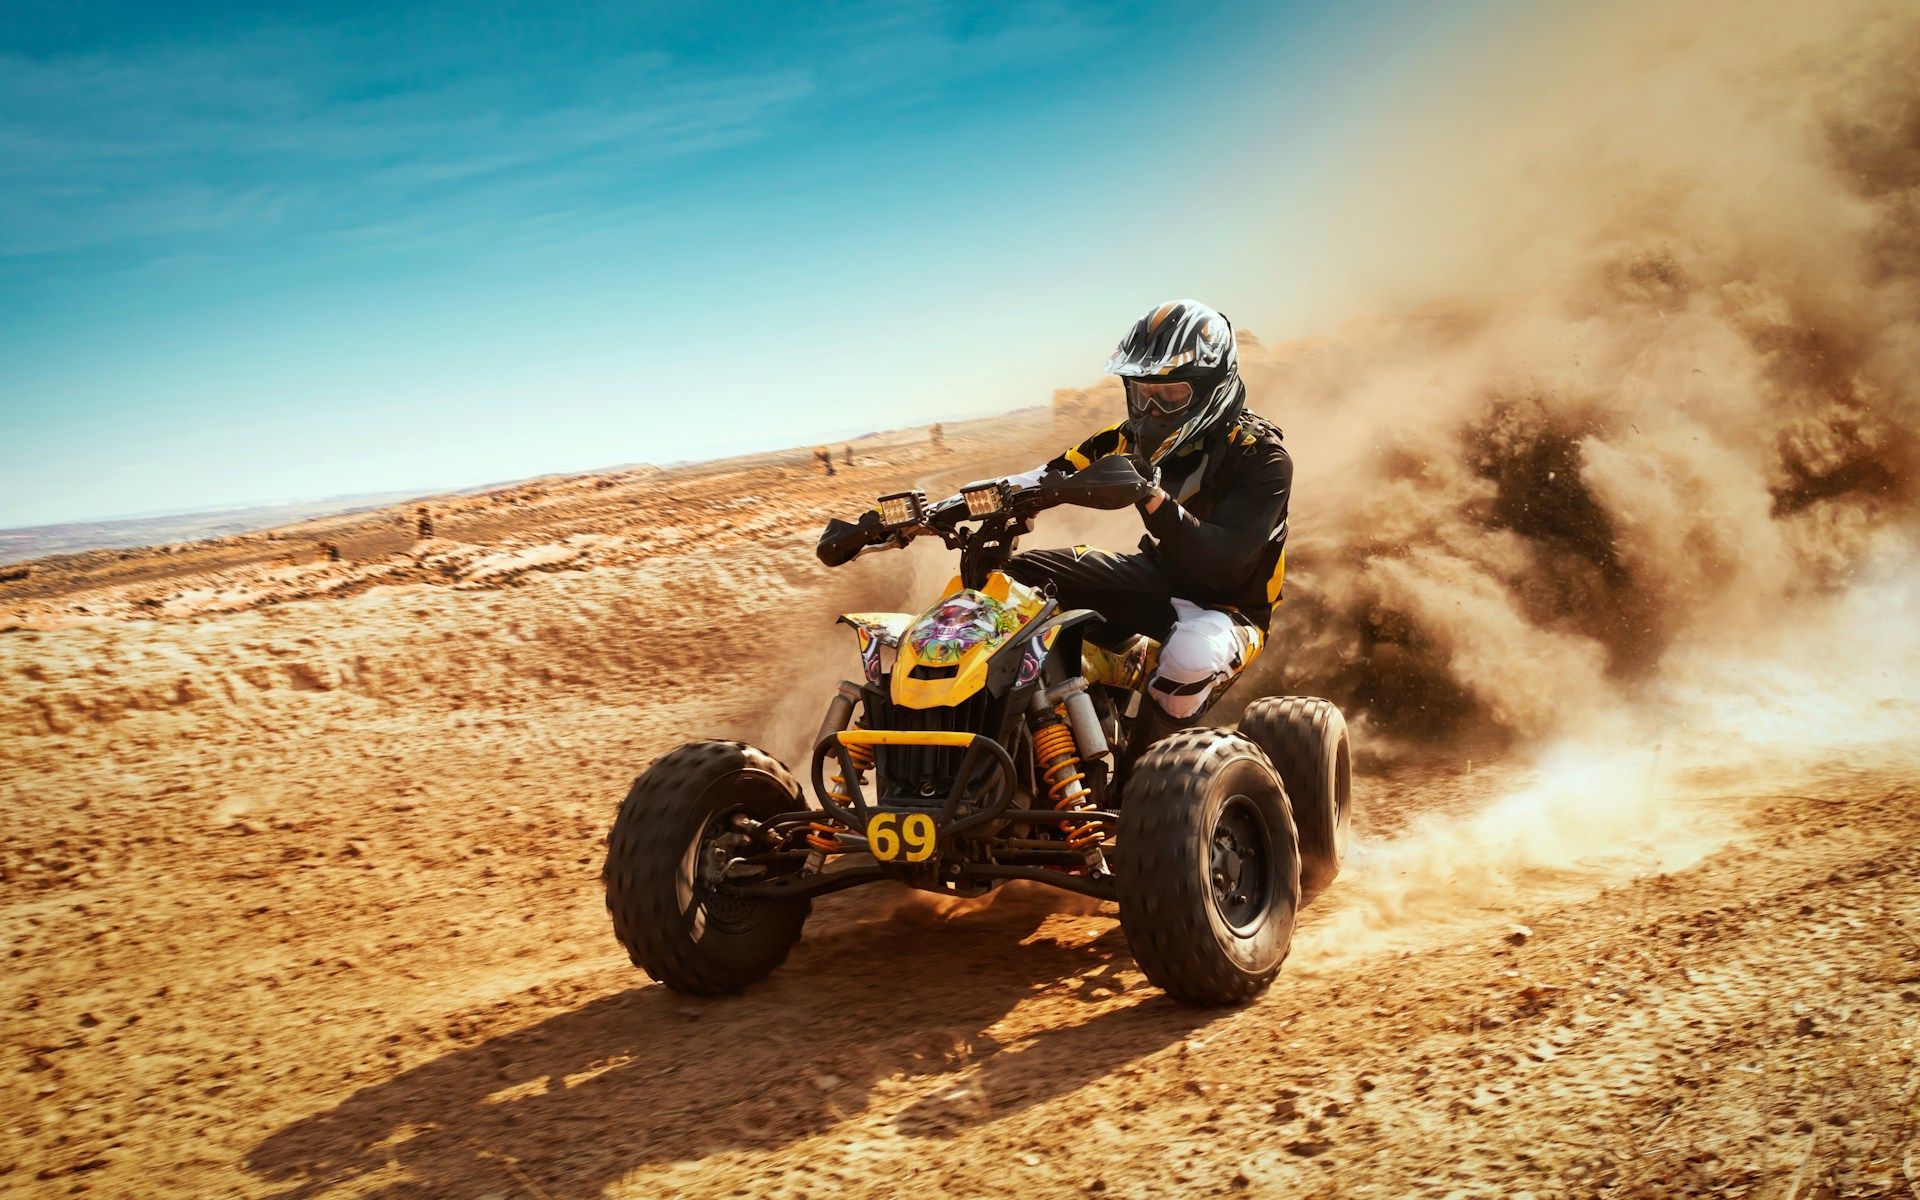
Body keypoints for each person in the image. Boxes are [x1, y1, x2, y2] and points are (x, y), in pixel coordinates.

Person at [1002, 299, 1291, 748]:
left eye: (1171, 394)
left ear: (1212, 386)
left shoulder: (1262, 458)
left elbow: (1223, 564)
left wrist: (1153, 499)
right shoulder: (1125, 439)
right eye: (1142, 392)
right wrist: (907, 517)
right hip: (1156, 578)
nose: (1152, 409)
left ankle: (1143, 772)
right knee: (1018, 576)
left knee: (1191, 656)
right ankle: (1031, 730)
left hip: (1229, 609)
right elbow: (1043, 475)